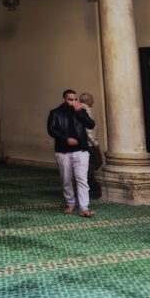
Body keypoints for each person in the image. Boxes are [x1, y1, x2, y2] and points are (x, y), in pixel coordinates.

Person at [47, 89, 97, 218]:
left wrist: (80, 112)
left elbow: (91, 125)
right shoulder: (55, 113)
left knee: (82, 179)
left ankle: (84, 208)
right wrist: (65, 139)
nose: (74, 101)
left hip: (81, 150)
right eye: (71, 99)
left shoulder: (81, 111)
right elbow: (51, 130)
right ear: (64, 99)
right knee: (66, 180)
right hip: (63, 151)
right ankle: (70, 203)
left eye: (75, 99)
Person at [79, 92, 104, 199]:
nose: (93, 102)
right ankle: (85, 178)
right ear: (88, 100)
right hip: (89, 144)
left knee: (90, 163)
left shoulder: (78, 109)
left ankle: (89, 182)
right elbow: (89, 129)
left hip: (83, 144)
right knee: (98, 161)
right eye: (92, 100)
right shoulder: (86, 111)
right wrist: (95, 143)